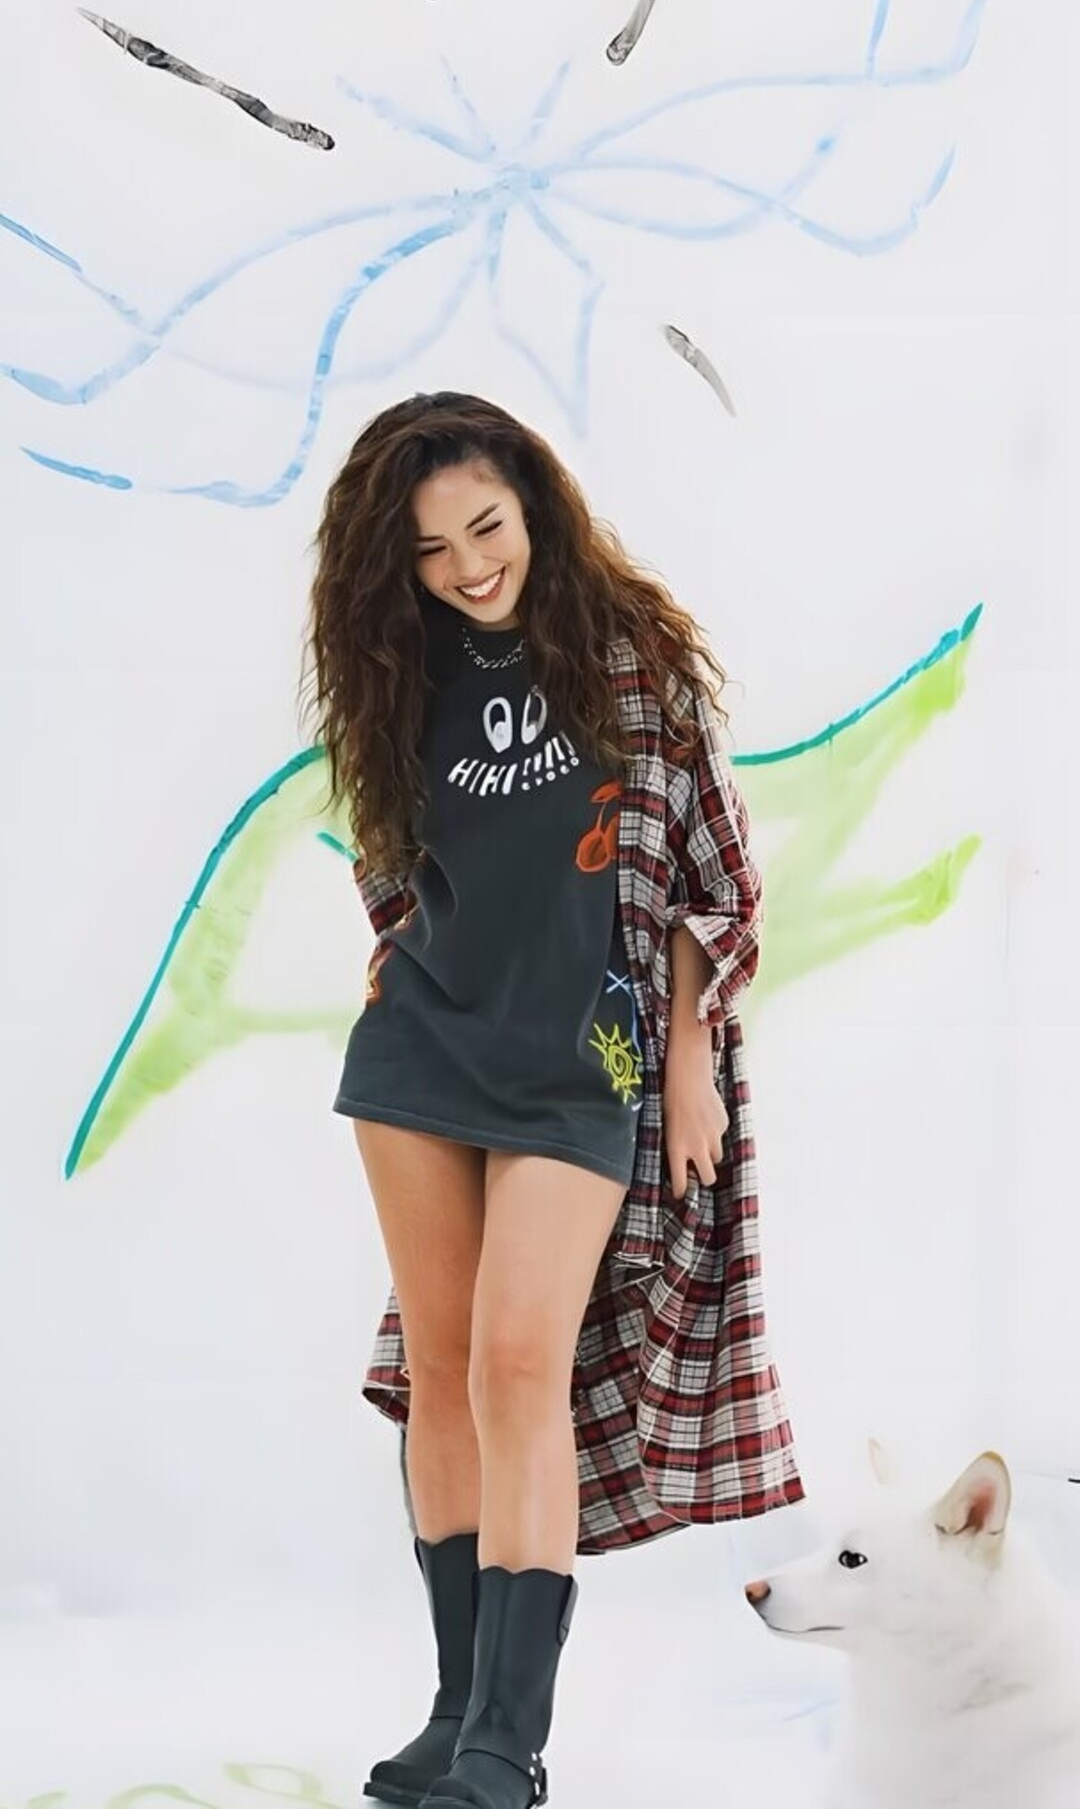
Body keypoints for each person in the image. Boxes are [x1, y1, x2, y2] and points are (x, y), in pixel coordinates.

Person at [298, 391, 804, 1809]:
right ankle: (456, 1712)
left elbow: (712, 870)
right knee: (447, 1371)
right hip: (424, 1051)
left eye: (487, 527)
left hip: (590, 1061)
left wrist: (689, 1062)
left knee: (521, 1365)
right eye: (431, 549)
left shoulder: (629, 653)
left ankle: (509, 1745)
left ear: (534, 505)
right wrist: (406, 973)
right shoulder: (398, 669)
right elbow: (398, 862)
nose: (468, 566)